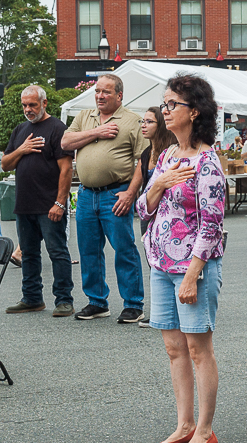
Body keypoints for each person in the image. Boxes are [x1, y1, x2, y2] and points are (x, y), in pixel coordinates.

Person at [136, 73, 224, 443]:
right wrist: (160, 183)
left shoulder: (207, 162)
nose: (165, 110)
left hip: (193, 268)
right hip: (159, 262)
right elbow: (142, 208)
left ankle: (204, 430)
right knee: (174, 348)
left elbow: (213, 224)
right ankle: (184, 424)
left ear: (195, 111)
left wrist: (192, 274)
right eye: (165, 103)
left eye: (173, 104)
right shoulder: (168, 155)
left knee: (198, 348)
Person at [61, 74, 148, 323]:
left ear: (119, 95)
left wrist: (131, 193)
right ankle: (97, 302)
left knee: (124, 250)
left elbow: (144, 160)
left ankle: (133, 304)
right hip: (87, 194)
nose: (99, 96)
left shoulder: (132, 121)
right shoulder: (85, 117)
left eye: (106, 92)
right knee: (89, 251)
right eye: (97, 91)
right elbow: (65, 142)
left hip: (115, 194)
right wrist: (98, 131)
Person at [1, 85, 74, 317]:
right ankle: (32, 298)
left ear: (44, 103)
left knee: (57, 252)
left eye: (32, 104)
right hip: (24, 205)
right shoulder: (20, 130)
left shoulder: (57, 128)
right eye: (24, 105)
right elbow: (5, 164)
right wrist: (21, 149)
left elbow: (66, 169)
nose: (28, 109)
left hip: (49, 205)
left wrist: (60, 203)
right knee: (29, 254)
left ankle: (64, 300)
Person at [135, 106, 177, 328]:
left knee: (169, 263)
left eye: (149, 122)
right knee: (153, 261)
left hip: (166, 214)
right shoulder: (145, 154)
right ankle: (161, 310)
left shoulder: (169, 152)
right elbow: (139, 184)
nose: (144, 125)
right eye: (143, 121)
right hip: (147, 211)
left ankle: (171, 310)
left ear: (159, 125)